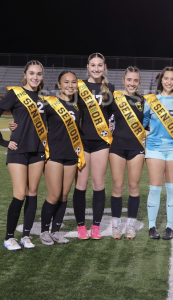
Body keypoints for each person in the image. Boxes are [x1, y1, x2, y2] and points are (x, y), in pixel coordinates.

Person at [0, 60, 46, 250]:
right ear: (25, 75)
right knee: (19, 194)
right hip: (18, 149)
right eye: (31, 73)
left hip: (38, 150)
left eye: (38, 74)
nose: (35, 77)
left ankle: (26, 236)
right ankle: (9, 237)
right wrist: (2, 141)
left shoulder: (43, 99)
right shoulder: (15, 93)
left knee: (32, 193)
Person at [143, 66, 173, 240]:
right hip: (155, 148)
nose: (169, 82)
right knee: (155, 189)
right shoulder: (151, 100)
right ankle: (152, 226)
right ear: (160, 80)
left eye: (172, 79)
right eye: (166, 78)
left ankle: (170, 227)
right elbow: (142, 124)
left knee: (172, 189)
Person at [39, 71, 86, 246]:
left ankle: (55, 232)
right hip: (54, 156)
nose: (70, 85)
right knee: (54, 194)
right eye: (66, 82)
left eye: (73, 82)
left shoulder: (77, 107)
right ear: (59, 85)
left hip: (71, 155)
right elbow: (36, 123)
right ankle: (44, 231)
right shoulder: (50, 103)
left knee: (64, 195)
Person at [74, 53, 115, 240]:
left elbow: (115, 114)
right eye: (93, 65)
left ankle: (96, 226)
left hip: (101, 142)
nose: (96, 68)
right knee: (81, 185)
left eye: (100, 65)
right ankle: (81, 226)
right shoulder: (78, 86)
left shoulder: (110, 88)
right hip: (82, 141)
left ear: (104, 67)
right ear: (87, 66)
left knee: (98, 184)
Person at [107, 66, 146, 239]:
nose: (132, 83)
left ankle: (130, 225)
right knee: (117, 186)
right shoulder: (114, 98)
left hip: (136, 148)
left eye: (135, 80)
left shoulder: (143, 101)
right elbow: (103, 117)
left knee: (133, 186)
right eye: (129, 80)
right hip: (117, 147)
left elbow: (149, 124)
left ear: (139, 82)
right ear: (123, 81)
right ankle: (115, 226)